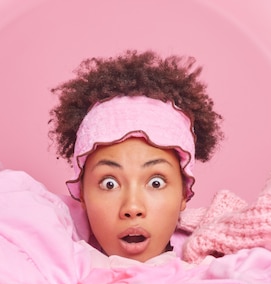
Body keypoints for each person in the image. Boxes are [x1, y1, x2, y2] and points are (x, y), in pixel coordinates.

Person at [49, 50, 224, 263]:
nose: (132, 208)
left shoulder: (219, 266)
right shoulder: (53, 261)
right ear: (82, 195)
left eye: (156, 182)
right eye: (110, 183)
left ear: (184, 194)